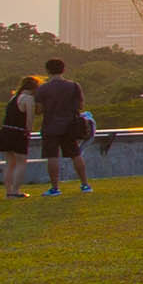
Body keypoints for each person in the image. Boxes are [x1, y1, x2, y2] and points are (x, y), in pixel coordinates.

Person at [32, 57, 93, 196]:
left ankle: (55, 187)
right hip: (70, 126)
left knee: (52, 156)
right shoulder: (73, 86)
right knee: (75, 154)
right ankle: (85, 184)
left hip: (50, 126)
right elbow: (80, 106)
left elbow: (39, 110)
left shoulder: (43, 89)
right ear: (63, 69)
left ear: (47, 71)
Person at [0, 73, 39, 198]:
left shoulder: (13, 98)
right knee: (21, 162)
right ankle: (16, 191)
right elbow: (30, 119)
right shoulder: (28, 99)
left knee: (9, 163)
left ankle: (8, 192)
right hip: (18, 133)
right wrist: (29, 132)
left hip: (6, 131)